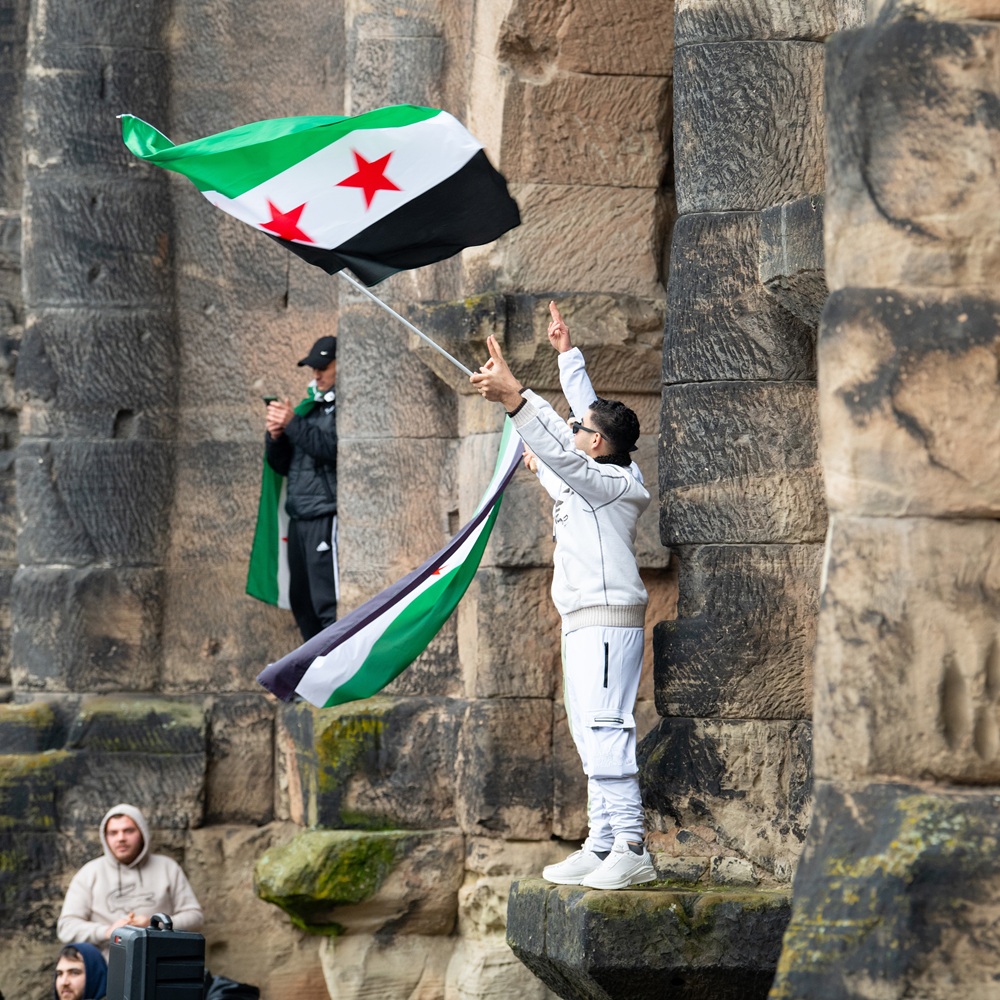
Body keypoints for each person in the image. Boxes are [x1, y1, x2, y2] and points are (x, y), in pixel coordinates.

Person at [470, 304, 656, 890]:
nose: (574, 431)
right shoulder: (598, 465)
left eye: (582, 431)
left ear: (596, 445)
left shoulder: (611, 482)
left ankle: (630, 845)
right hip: (580, 618)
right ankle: (601, 842)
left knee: (604, 728)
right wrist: (566, 356)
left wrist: (515, 398)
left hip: (605, 621)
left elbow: (564, 448)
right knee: (585, 731)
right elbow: (573, 434)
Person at [265, 335, 339, 640]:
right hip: (299, 516)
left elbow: (334, 449)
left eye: (323, 367)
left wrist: (293, 423)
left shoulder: (344, 404)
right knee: (303, 602)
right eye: (313, 368)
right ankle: (313, 678)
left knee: (327, 603)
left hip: (325, 513)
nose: (316, 374)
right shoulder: (310, 406)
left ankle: (335, 677)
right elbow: (282, 466)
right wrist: (276, 436)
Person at [57, 804, 203, 955]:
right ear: (105, 837)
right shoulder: (89, 873)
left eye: (128, 831)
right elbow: (66, 928)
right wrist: (107, 932)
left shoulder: (168, 867)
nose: (121, 838)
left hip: (158, 964)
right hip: (105, 967)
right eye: (113, 833)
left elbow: (195, 917)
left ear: (142, 833)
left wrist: (155, 926)